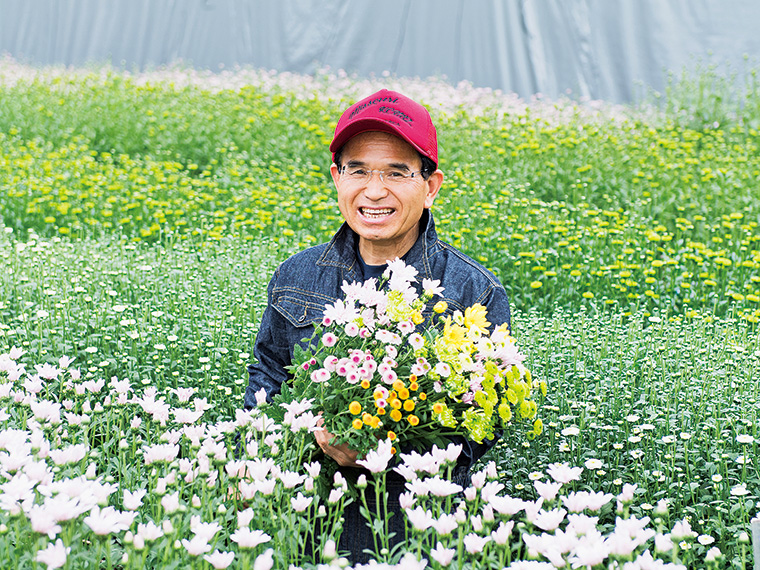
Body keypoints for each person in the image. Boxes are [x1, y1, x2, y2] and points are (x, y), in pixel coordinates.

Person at [244, 89, 511, 563]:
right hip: (303, 523)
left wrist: (383, 449)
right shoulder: (296, 276)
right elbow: (266, 379)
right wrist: (293, 444)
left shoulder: (473, 292)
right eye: (358, 170)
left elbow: (481, 427)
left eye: (396, 172)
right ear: (336, 178)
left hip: (415, 531)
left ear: (431, 186)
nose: (373, 190)